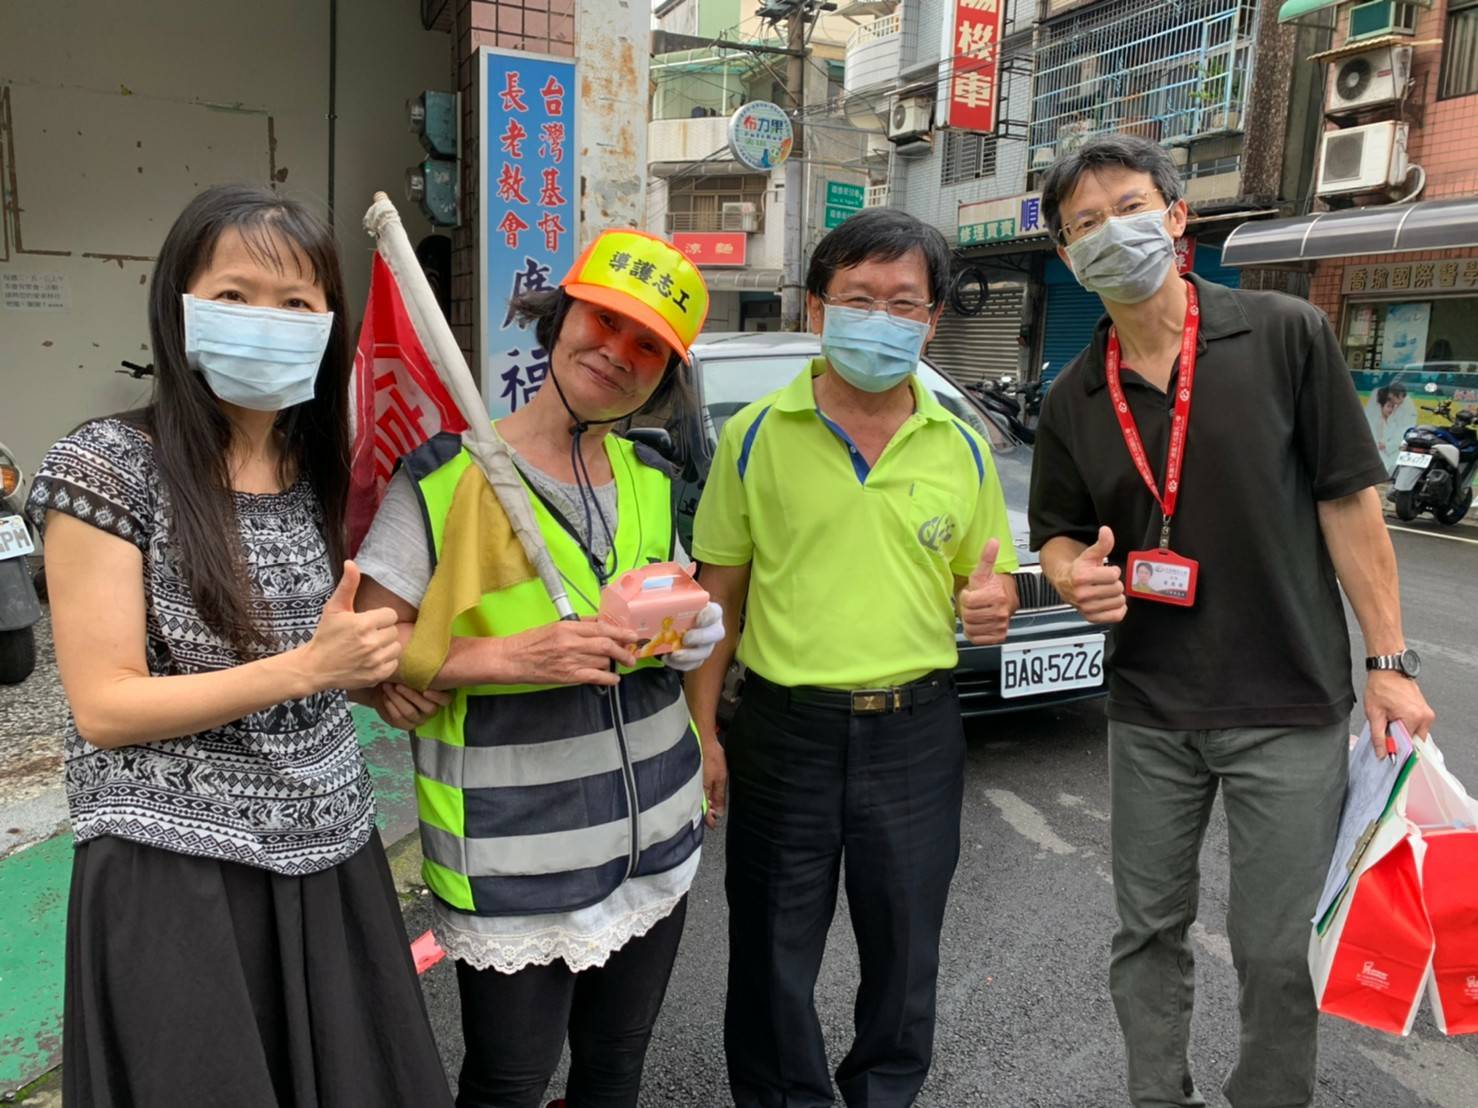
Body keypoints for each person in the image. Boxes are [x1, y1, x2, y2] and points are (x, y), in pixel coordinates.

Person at [1027, 134, 1435, 1108]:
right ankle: (1155, 1096)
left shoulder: (1286, 334)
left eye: (1128, 207)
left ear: (1176, 217)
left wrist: (1388, 660)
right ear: (1067, 256)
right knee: (1146, 932)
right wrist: (1074, 575)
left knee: (1275, 945)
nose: (1109, 232)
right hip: (1149, 705)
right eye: (1084, 224)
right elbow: (1055, 534)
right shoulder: (1073, 396)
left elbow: (1349, 504)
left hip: (1286, 701)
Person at [24, 184, 452, 1107]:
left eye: (296, 302)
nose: (267, 320)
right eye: (234, 295)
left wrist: (357, 679)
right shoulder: (105, 466)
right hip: (177, 876)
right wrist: (310, 669)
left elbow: (299, 652)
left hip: (329, 849)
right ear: (179, 305)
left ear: (329, 326)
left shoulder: (316, 468)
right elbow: (106, 706)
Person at [353, 229, 722, 1108]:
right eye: (604, 321)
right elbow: (364, 648)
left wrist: (690, 631)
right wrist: (513, 656)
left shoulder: (650, 474)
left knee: (615, 1067)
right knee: (508, 1082)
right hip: (512, 854)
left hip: (655, 840)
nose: (618, 354)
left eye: (649, 347)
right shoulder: (445, 479)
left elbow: (667, 601)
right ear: (558, 319)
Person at [686, 207, 1021, 1108]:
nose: (882, 319)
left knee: (906, 949)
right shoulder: (755, 435)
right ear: (817, 307)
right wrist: (704, 735)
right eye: (859, 298)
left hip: (917, 731)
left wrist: (992, 604)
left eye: (904, 303)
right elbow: (719, 601)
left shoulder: (961, 446)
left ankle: (883, 1096)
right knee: (770, 950)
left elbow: (983, 579)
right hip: (784, 731)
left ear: (933, 318)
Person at [1365, 382, 1415, 472]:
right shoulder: (1379, 420)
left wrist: (1390, 445)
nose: (1392, 408)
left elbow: (1403, 431)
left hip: (1394, 446)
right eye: (1389, 406)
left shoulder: (1407, 410)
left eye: (1393, 400)